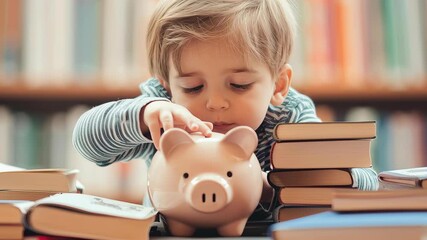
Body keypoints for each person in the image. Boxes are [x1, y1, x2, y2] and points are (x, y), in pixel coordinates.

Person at [72, 0, 378, 211]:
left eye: (239, 85)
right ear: (167, 85)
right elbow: (87, 143)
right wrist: (142, 114)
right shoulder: (164, 113)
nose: (215, 103)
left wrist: (281, 184)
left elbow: (366, 184)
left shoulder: (289, 118)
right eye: (193, 87)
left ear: (278, 85)